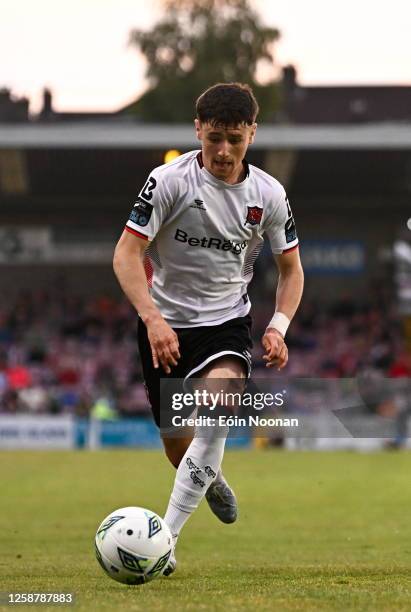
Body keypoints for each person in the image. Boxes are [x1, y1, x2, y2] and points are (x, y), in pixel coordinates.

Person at [113, 82, 304, 574]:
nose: (223, 151)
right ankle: (209, 477)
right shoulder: (169, 181)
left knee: (221, 400)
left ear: (252, 135)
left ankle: (164, 540)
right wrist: (152, 319)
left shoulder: (268, 194)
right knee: (179, 447)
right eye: (214, 137)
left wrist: (279, 326)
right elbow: (126, 254)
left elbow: (291, 269)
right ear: (198, 129)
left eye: (235, 140)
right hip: (165, 326)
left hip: (226, 323)